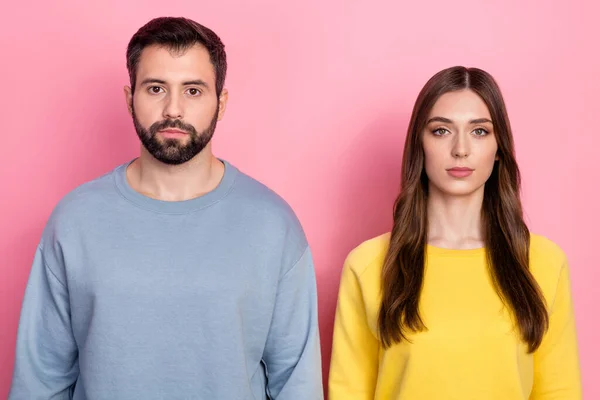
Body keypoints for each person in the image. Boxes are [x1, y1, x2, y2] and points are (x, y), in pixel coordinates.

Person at [9, 17, 323, 399]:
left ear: (220, 104)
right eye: (156, 88)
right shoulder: (74, 221)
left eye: (193, 90)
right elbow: (40, 381)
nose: (173, 109)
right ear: (130, 98)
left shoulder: (274, 225)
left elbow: (296, 383)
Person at [328, 66, 581, 399]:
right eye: (441, 131)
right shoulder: (369, 265)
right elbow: (350, 392)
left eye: (479, 131)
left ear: (499, 147)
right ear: (419, 143)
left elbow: (559, 391)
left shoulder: (544, 263)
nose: (461, 149)